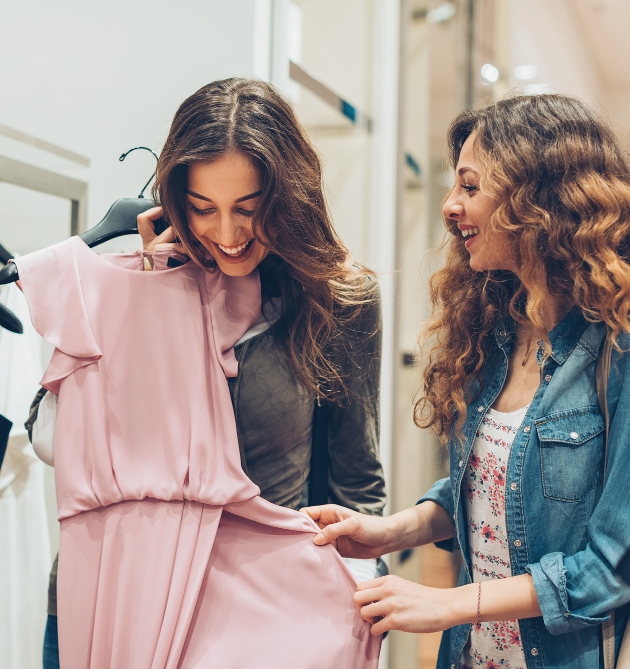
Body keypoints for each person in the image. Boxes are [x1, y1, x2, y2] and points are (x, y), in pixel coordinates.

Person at [27, 77, 386, 669]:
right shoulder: (133, 280)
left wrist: (359, 610)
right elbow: (53, 439)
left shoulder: (336, 298)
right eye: (202, 209)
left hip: (259, 616)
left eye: (250, 209)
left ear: (288, 198)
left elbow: (357, 479)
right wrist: (147, 290)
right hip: (110, 597)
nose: (226, 234)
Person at [303, 94, 630, 668]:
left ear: (538, 200)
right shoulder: (496, 330)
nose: (451, 205)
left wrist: (451, 604)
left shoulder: (617, 347)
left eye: (471, 187)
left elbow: (610, 569)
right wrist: (389, 531)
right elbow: (485, 491)